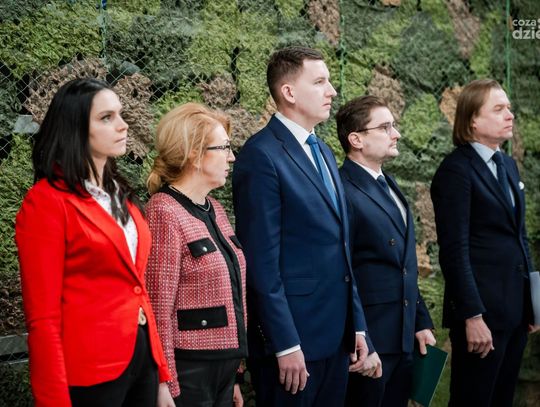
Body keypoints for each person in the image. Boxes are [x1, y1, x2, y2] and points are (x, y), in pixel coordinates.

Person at [15, 78, 174, 407]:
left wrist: (161, 374)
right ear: (75, 129)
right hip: (90, 371)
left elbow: (138, 288)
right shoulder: (46, 202)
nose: (123, 125)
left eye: (120, 114)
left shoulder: (121, 195)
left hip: (141, 360)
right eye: (106, 117)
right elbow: (42, 319)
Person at [232, 46, 368, 407]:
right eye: (320, 82)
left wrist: (356, 325)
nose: (332, 91)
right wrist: (285, 343)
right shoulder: (260, 156)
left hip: (336, 339)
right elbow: (261, 263)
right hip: (293, 347)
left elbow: (342, 250)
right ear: (289, 92)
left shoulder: (323, 151)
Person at [430, 78, 539, 406]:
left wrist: (533, 303)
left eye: (509, 108)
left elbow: (519, 236)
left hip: (515, 312)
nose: (510, 115)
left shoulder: (508, 165)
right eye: (499, 109)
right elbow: (454, 251)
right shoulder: (456, 170)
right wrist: (472, 316)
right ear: (473, 120)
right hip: (482, 317)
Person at [336, 95, 436, 407]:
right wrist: (362, 339)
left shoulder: (390, 184)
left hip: (403, 337)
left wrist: (420, 321)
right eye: (385, 127)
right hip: (370, 343)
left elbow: (404, 265)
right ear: (356, 139)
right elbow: (343, 272)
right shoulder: (341, 189)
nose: (397, 134)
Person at [145, 102, 247, 407]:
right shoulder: (163, 210)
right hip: (190, 369)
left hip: (224, 368)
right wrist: (164, 381)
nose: (232, 156)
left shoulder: (215, 208)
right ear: (194, 154)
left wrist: (235, 375)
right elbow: (158, 307)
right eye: (224, 147)